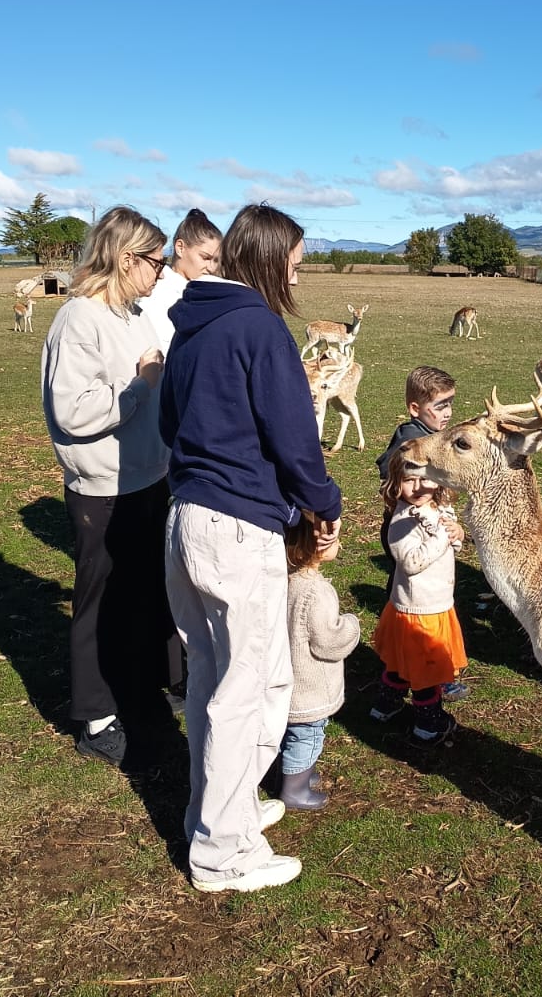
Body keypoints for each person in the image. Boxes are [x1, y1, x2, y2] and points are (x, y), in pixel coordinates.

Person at [160, 204, 342, 894]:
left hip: (185, 522)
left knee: (214, 680)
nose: (300, 273)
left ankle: (221, 816)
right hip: (236, 533)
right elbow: (296, 440)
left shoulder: (191, 329)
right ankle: (222, 856)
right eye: (295, 260)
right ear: (269, 258)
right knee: (251, 691)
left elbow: (171, 424)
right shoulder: (259, 329)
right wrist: (323, 506)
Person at [40, 206, 183, 766]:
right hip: (102, 487)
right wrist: (143, 386)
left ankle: (138, 689)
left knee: (143, 589)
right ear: (126, 260)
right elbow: (72, 412)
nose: (162, 271)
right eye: (155, 261)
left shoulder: (133, 314)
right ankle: (96, 717)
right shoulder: (79, 319)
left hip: (148, 475)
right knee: (98, 600)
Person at [371, 454, 467, 745]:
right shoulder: (401, 521)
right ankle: (429, 725)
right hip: (418, 610)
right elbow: (411, 562)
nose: (418, 486)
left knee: (401, 663)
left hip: (434, 603)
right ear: (395, 485)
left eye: (424, 478)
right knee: (424, 670)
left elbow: (451, 531)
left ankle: (385, 706)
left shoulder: (437, 506)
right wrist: (441, 537)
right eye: (409, 480)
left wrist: (457, 532)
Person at [279, 513, 360, 810]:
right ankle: (294, 789)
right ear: (320, 546)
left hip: (283, 679)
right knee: (308, 736)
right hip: (308, 687)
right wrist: (351, 625)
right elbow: (328, 640)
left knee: (289, 733)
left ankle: (297, 773)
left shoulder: (283, 579)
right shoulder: (317, 591)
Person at [137, 208, 222, 354]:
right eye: (205, 257)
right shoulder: (154, 293)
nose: (211, 267)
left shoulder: (206, 292)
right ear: (180, 248)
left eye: (215, 261)